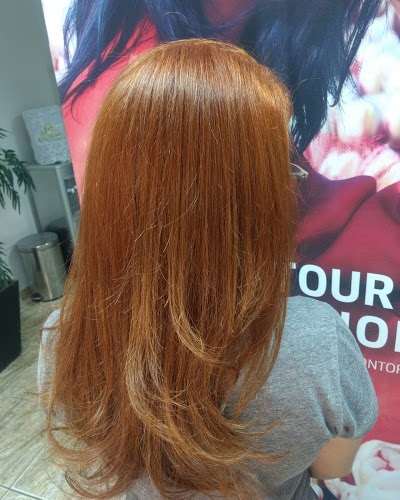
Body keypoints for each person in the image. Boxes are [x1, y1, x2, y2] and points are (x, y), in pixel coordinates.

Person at [38, 40, 378, 500]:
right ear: (260, 195)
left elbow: (95, 454)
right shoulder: (316, 341)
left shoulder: (65, 338)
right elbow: (333, 465)